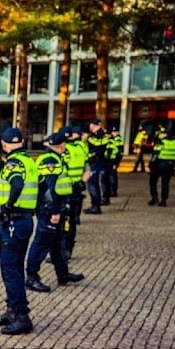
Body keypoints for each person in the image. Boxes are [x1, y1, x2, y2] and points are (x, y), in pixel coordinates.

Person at [0, 127, 38, 335]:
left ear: (4, 144)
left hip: (13, 221)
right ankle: (12, 309)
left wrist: (7, 206)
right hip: (24, 220)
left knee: (10, 270)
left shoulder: (13, 163)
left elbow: (16, 184)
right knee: (16, 267)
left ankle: (21, 315)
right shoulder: (29, 161)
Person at [24, 132, 84, 293]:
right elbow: (49, 189)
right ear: (61, 145)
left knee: (56, 243)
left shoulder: (55, 158)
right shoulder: (50, 160)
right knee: (41, 242)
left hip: (56, 206)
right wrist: (54, 211)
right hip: (49, 209)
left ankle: (62, 274)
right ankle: (31, 277)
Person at [61, 126, 89, 260]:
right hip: (77, 188)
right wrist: (82, 181)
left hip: (65, 190)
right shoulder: (81, 148)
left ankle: (63, 250)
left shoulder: (64, 151)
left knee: (62, 221)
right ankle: (68, 249)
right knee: (71, 222)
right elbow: (87, 169)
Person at [84, 119, 109, 213]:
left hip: (96, 162)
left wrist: (87, 139)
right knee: (93, 184)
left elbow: (98, 147)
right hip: (97, 162)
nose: (91, 128)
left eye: (93, 126)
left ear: (98, 126)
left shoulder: (99, 136)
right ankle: (95, 205)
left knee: (92, 184)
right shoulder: (99, 135)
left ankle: (95, 206)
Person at [148, 125, 175, 206]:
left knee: (152, 181)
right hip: (169, 165)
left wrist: (150, 165)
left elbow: (155, 155)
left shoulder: (160, 143)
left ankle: (154, 197)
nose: (159, 135)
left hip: (158, 165)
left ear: (165, 135)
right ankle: (164, 200)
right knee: (165, 183)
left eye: (161, 134)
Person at [107, 126, 123, 198]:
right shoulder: (112, 139)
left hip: (114, 160)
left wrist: (116, 163)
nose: (114, 133)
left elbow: (119, 152)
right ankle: (110, 190)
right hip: (110, 160)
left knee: (113, 176)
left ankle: (113, 191)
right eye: (113, 132)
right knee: (110, 176)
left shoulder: (118, 139)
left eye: (115, 132)